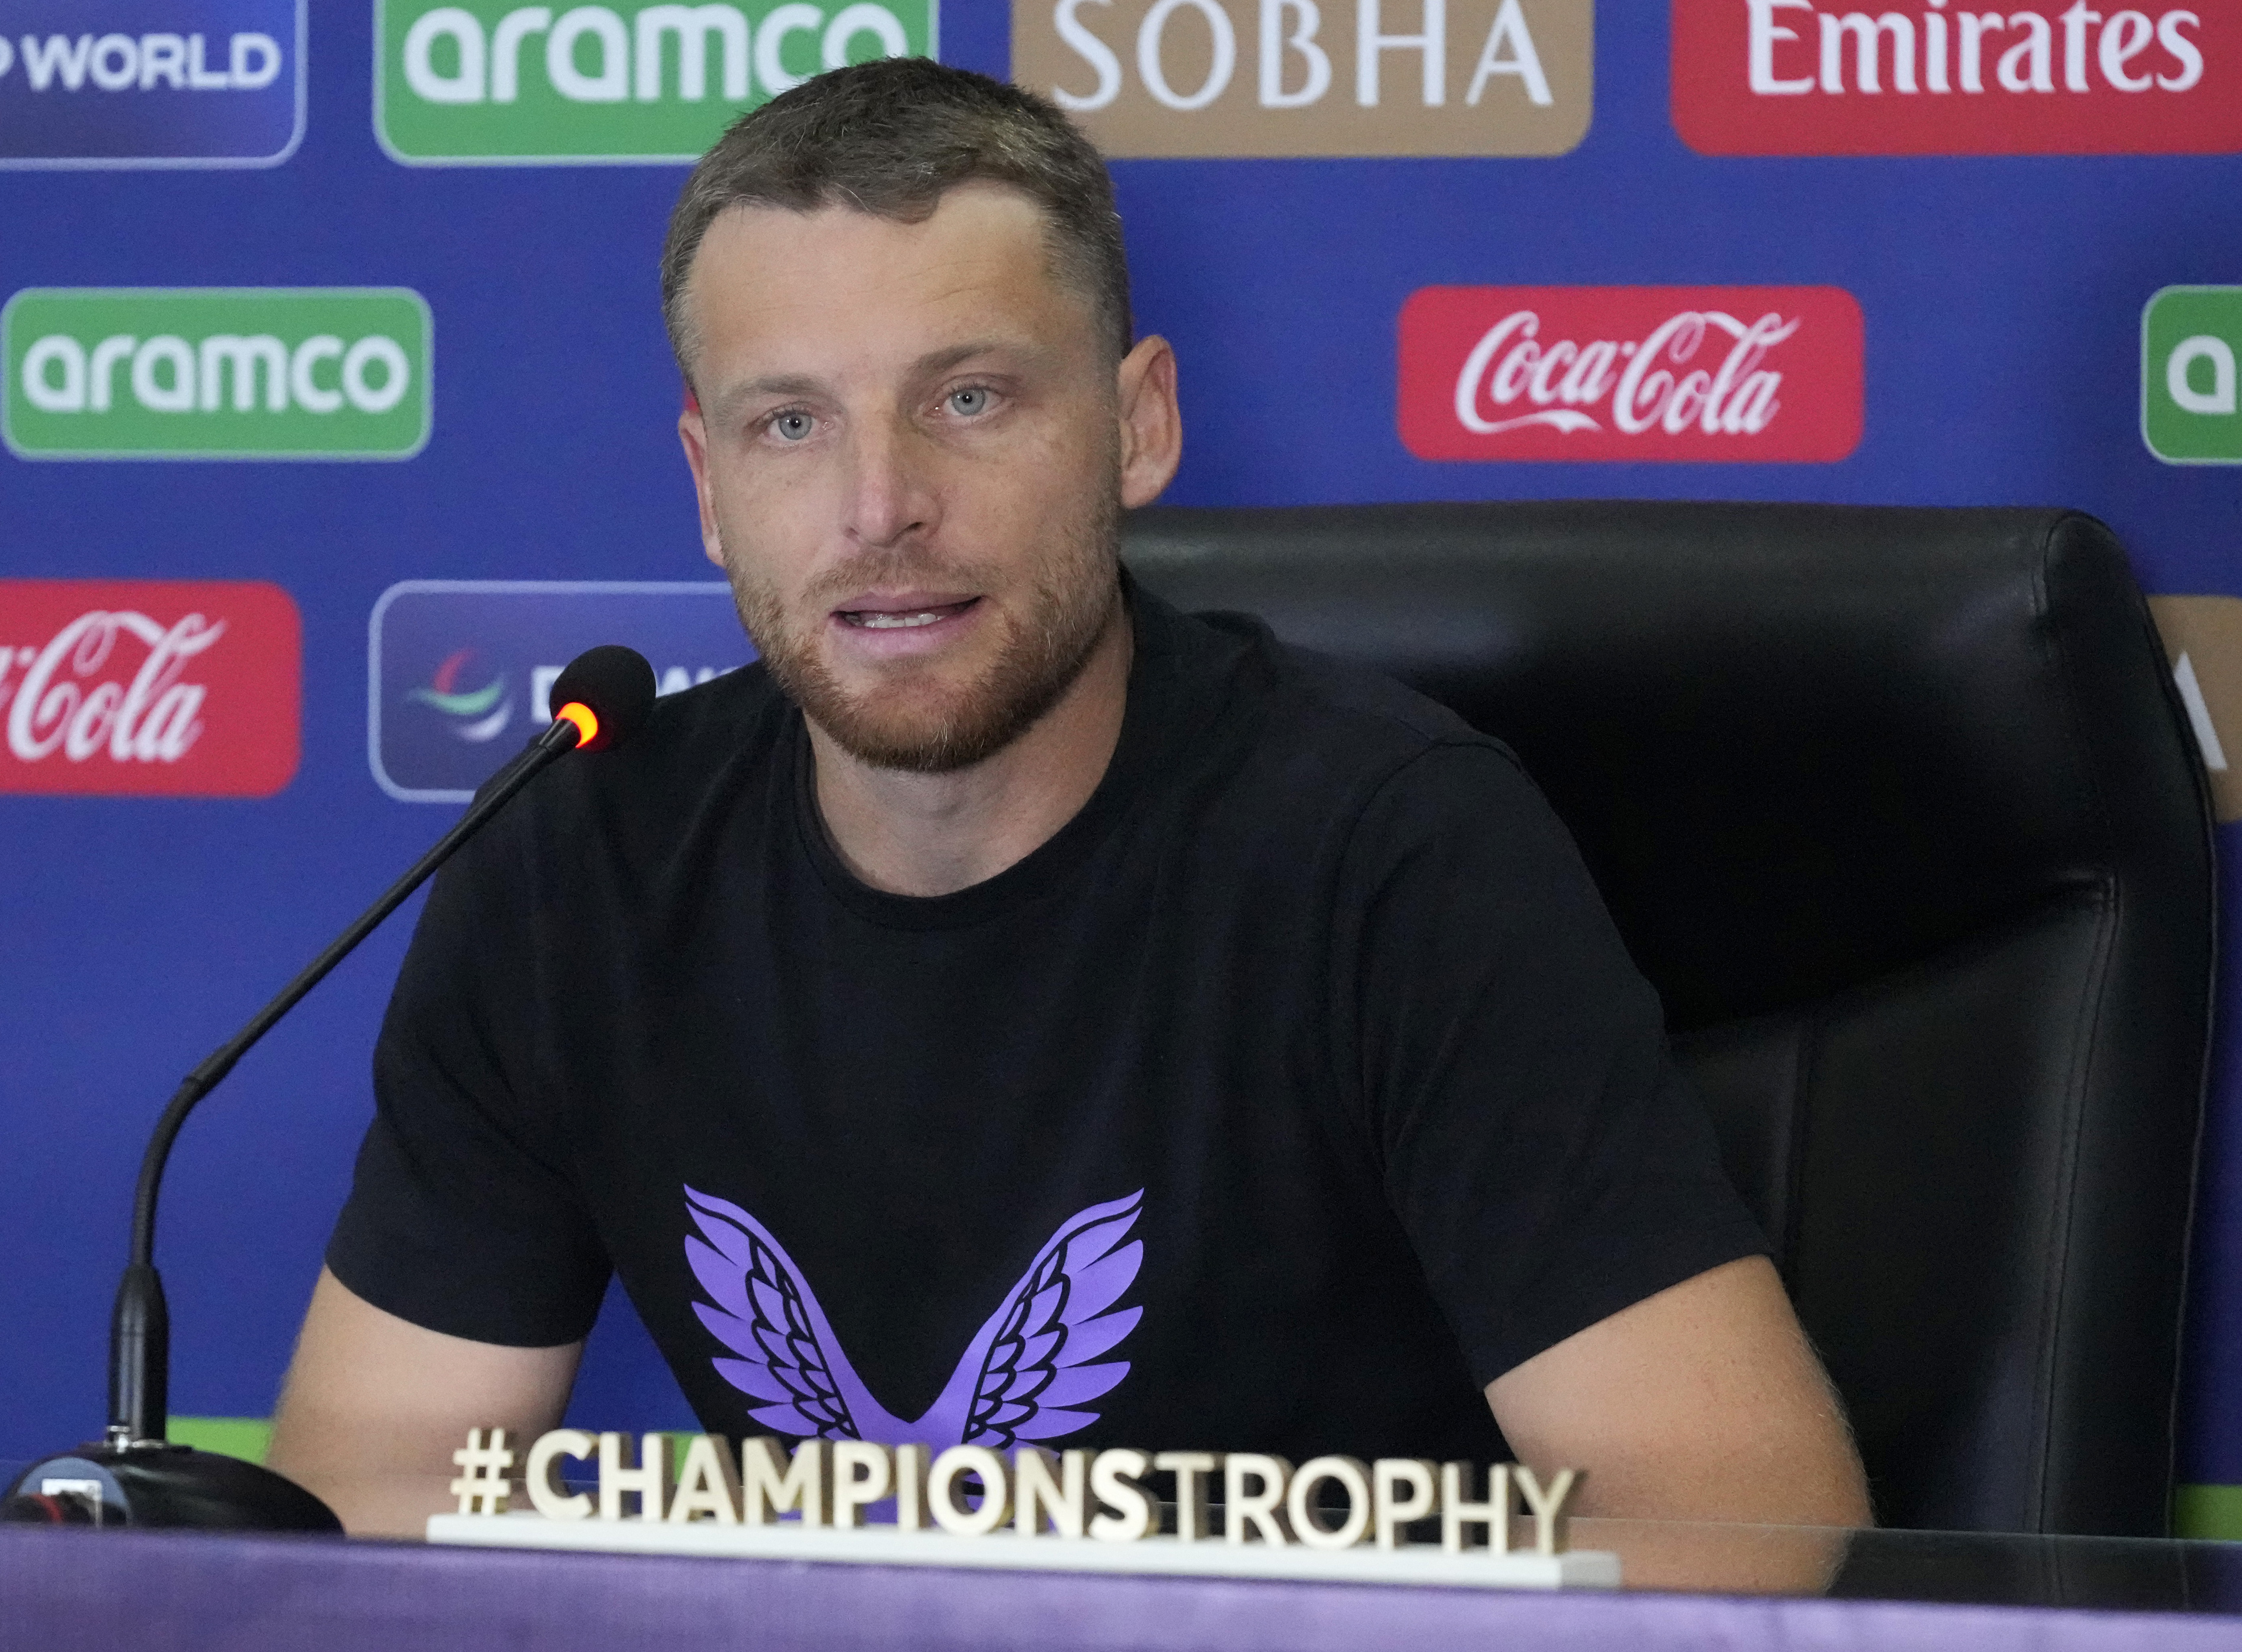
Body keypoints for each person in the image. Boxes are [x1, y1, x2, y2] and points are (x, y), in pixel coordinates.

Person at [267, 58, 1871, 1539]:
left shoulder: (1393, 852)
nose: (879, 505)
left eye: (967, 397)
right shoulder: (576, 868)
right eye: (789, 424)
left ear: (1137, 424)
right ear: (706, 483)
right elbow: (365, 1501)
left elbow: (1739, 1524)